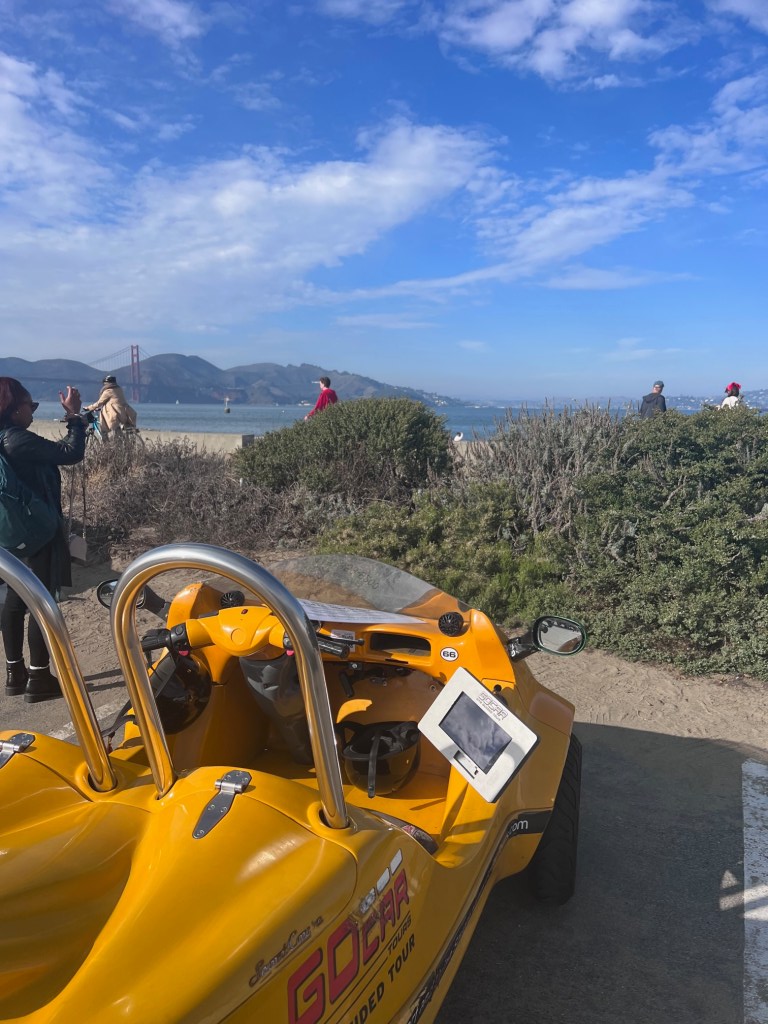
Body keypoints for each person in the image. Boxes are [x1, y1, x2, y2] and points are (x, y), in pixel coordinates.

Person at [0, 377, 85, 702]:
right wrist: (74, 417)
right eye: (30, 405)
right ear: (14, 408)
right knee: (40, 600)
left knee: (16, 600)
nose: (33, 411)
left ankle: (14, 673)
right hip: (37, 530)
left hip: (10, 533)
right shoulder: (17, 440)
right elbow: (70, 452)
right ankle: (38, 677)